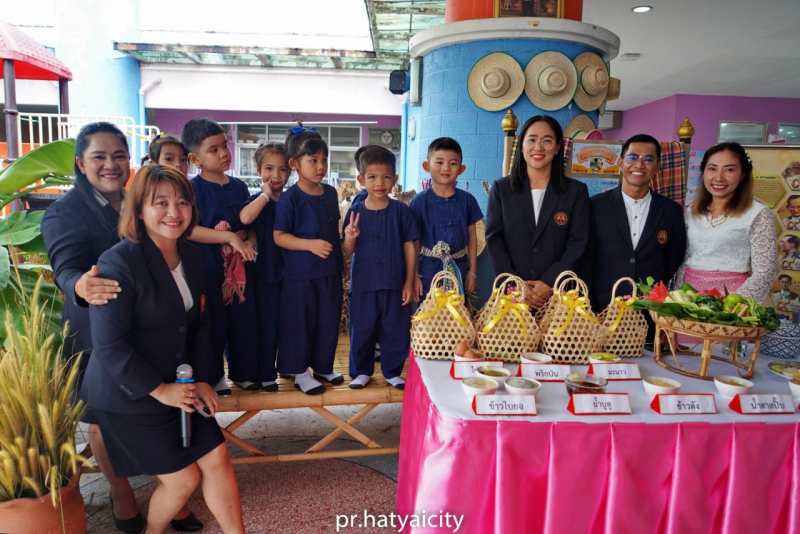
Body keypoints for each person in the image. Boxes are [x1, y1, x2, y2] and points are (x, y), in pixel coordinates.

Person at [41, 122, 202, 533]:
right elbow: (65, 268)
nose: (110, 164)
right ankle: (122, 493)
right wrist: (80, 285)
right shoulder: (65, 210)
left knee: (163, 399)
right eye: (99, 157)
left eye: (119, 156)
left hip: (150, 327)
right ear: (81, 164)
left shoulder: (139, 198)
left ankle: (174, 495)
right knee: (101, 416)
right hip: (96, 331)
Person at [82, 165, 243, 534]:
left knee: (218, 457)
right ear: (139, 210)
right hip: (131, 392)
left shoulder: (192, 255)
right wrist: (160, 390)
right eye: (161, 202)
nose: (174, 212)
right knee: (183, 479)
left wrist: (201, 379)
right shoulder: (118, 262)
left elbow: (199, 325)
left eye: (183, 202)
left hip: (180, 383)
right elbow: (110, 346)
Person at [181, 118, 259, 395]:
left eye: (224, 146)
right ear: (195, 159)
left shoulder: (240, 187)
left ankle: (244, 373)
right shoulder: (192, 189)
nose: (224, 153)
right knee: (213, 325)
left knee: (243, 321)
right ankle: (214, 377)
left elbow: (249, 225)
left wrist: (249, 241)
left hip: (240, 271)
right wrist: (229, 238)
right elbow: (189, 230)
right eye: (213, 150)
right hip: (210, 270)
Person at [584, 134, 686, 335]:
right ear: (620, 163)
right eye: (632, 157)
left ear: (657, 167)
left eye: (648, 159)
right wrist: (590, 302)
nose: (639, 165)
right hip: (602, 308)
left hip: (649, 311)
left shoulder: (671, 211)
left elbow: (674, 257)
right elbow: (585, 257)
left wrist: (650, 288)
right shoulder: (594, 206)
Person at [485, 115, 590, 310]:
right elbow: (494, 240)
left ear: (557, 147)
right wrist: (515, 285)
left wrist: (550, 282)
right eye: (532, 140)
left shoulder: (576, 192)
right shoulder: (501, 189)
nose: (538, 147)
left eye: (547, 141)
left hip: (559, 297)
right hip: (512, 297)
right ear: (521, 145)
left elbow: (578, 243)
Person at [273, 127, 344, 395]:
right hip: (300, 276)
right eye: (313, 160)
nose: (320, 166)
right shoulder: (290, 198)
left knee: (328, 320)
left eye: (324, 160)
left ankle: (323, 367)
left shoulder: (330, 193)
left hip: (329, 272)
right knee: (300, 324)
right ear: (294, 164)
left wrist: (342, 264)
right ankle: (300, 372)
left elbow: (334, 233)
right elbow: (279, 236)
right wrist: (310, 245)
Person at [342, 146, 419, 390]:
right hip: (363, 283)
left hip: (394, 282)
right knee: (361, 328)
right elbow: (348, 251)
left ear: (395, 179)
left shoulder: (401, 211)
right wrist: (350, 238)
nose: (379, 183)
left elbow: (410, 246)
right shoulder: (355, 212)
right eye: (372, 177)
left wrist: (409, 281)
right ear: (361, 179)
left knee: (395, 329)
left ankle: (392, 371)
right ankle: (361, 372)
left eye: (386, 177)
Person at [675, 142, 777, 301]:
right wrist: (677, 297)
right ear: (703, 172)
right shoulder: (694, 210)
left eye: (729, 170)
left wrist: (733, 305)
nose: (719, 177)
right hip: (690, 298)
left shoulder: (758, 213)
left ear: (743, 174)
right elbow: (686, 259)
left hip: (732, 300)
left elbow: (765, 272)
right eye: (712, 169)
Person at [239, 142, 290, 392]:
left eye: (282, 169)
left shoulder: (292, 200)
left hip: (291, 273)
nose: (276, 175)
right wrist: (265, 195)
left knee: (287, 325)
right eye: (269, 168)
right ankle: (266, 372)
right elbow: (245, 218)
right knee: (266, 326)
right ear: (258, 170)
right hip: (265, 273)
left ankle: (289, 367)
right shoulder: (257, 200)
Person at [411, 137, 482, 297]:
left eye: (453, 163)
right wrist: (414, 276)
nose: (446, 168)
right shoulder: (419, 201)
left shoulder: (468, 200)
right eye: (439, 162)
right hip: (427, 270)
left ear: (461, 169)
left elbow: (472, 237)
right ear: (427, 166)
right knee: (427, 310)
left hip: (459, 269)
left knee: (457, 310)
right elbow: (414, 242)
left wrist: (472, 272)